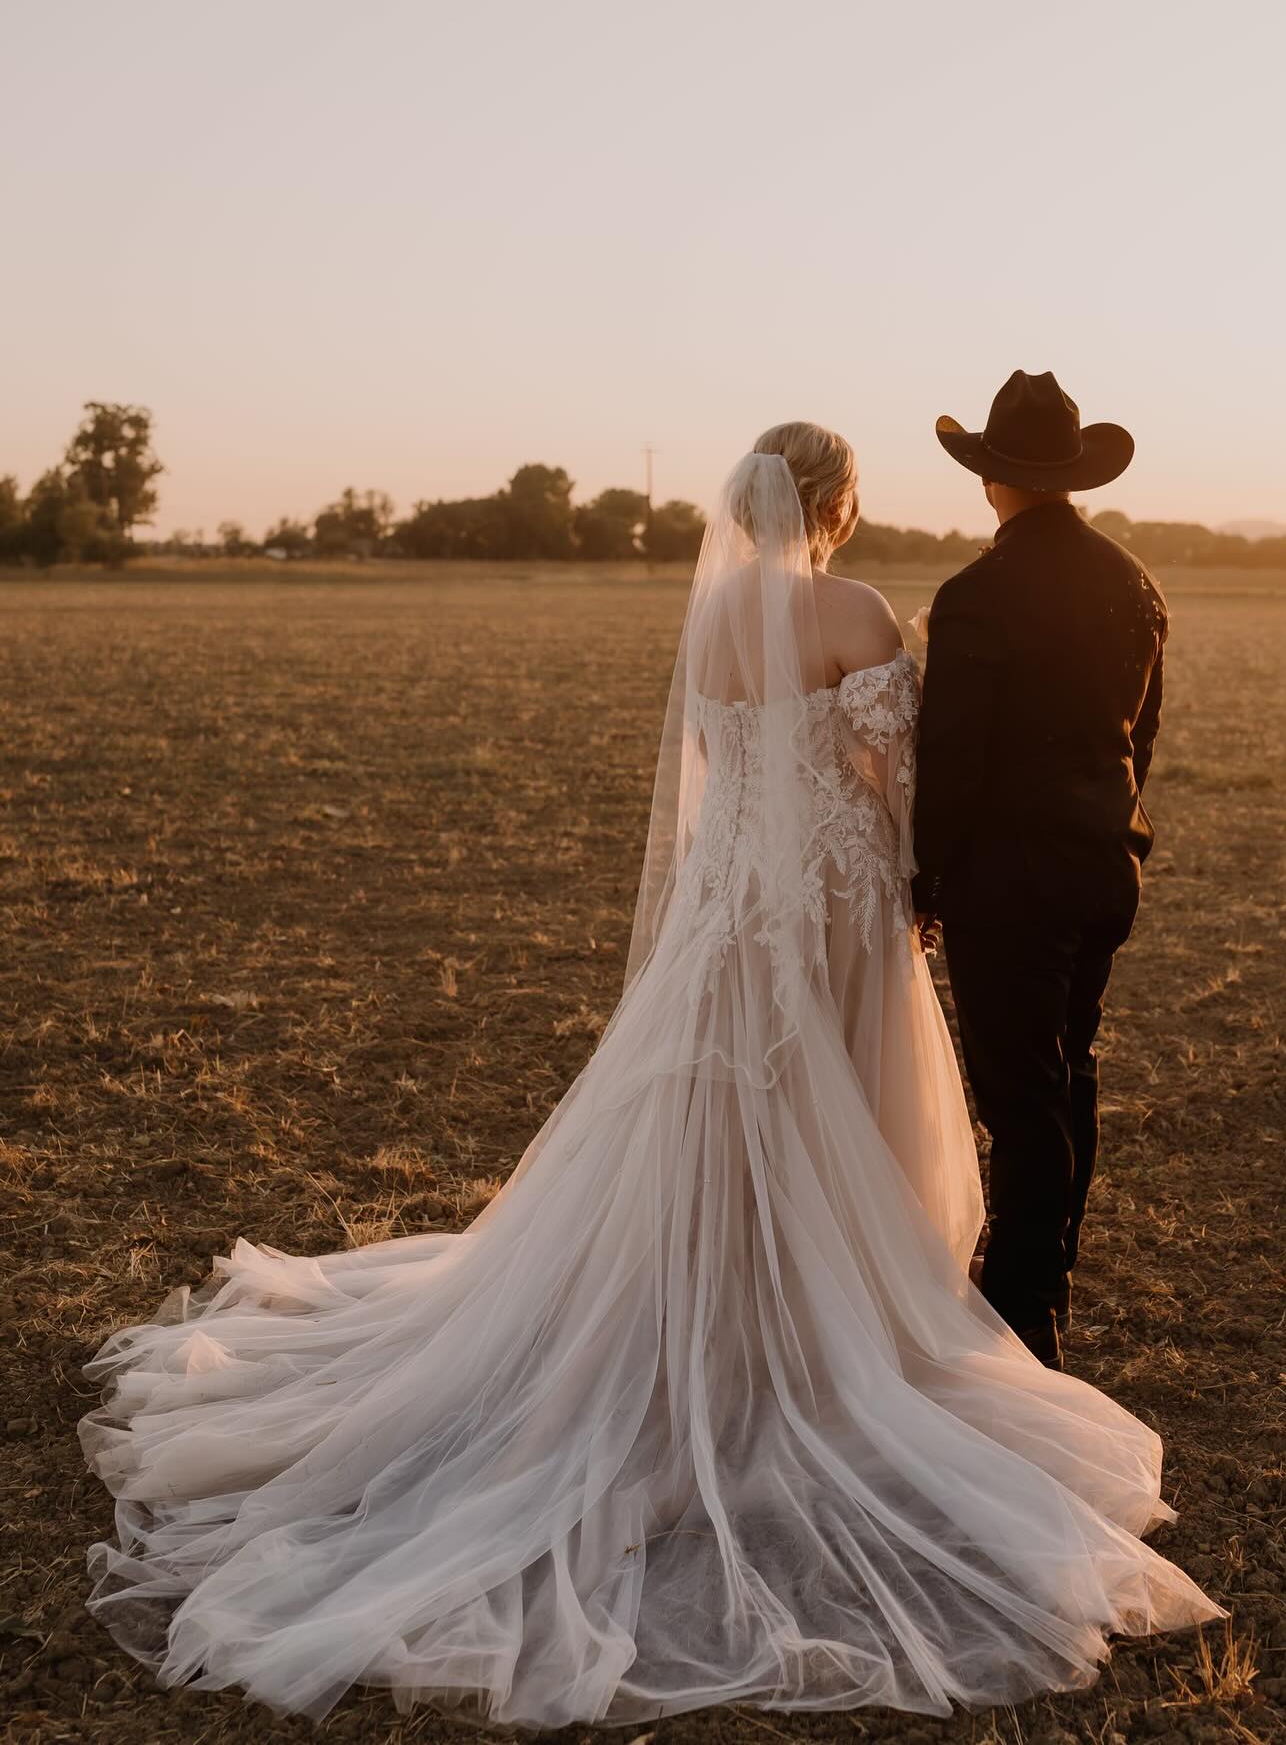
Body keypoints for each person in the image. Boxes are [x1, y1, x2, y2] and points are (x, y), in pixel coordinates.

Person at [81, 422, 1217, 1729]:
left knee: (715, 1107)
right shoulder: (857, 610)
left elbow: (729, 768)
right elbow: (892, 780)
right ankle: (820, 1319)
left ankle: (724, 1287)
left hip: (732, 908)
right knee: (835, 1103)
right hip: (835, 908)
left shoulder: (714, 616)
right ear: (838, 503)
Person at [912, 371, 1169, 1371]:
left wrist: (926, 881)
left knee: (1020, 1097)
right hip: (1106, 863)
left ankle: (1023, 1313)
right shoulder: (1135, 580)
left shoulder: (976, 594)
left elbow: (954, 759)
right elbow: (1138, 737)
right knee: (1069, 1078)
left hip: (1008, 879)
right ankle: (1044, 1275)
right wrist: (1117, 828)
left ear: (991, 481)